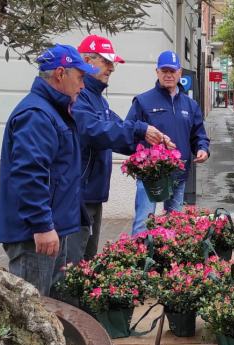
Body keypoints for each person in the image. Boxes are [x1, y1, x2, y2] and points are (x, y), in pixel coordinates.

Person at [0, 44, 98, 295]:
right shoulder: (37, 114)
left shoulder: (53, 111)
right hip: (35, 237)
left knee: (48, 309)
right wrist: (41, 226)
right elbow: (29, 175)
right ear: (61, 74)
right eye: (80, 77)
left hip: (51, 230)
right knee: (33, 309)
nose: (83, 86)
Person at [67, 35, 172, 264]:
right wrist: (140, 129)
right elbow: (95, 130)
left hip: (92, 194)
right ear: (86, 59)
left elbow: (120, 132)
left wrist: (153, 146)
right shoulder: (80, 97)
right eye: (106, 62)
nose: (112, 68)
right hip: (79, 195)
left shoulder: (98, 99)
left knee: (87, 260)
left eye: (112, 63)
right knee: (73, 263)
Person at [126, 51, 210, 235]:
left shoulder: (190, 105)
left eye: (172, 71)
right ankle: (140, 260)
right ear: (157, 72)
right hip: (150, 176)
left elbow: (199, 135)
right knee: (143, 224)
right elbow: (128, 128)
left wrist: (202, 149)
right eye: (164, 70)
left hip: (178, 175)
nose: (168, 75)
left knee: (174, 226)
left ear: (179, 73)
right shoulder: (143, 101)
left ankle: (166, 261)